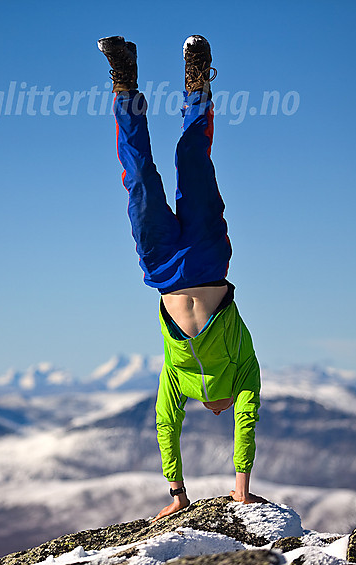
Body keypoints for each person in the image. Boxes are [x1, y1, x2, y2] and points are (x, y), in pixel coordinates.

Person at [97, 35, 266, 522]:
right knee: (193, 160)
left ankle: (123, 80)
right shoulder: (244, 376)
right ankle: (197, 83)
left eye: (215, 410)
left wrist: (177, 492)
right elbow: (248, 422)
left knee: (139, 178)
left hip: (163, 268)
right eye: (225, 410)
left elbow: (166, 426)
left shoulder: (179, 379)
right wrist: (241, 487)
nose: (220, 412)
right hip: (209, 258)